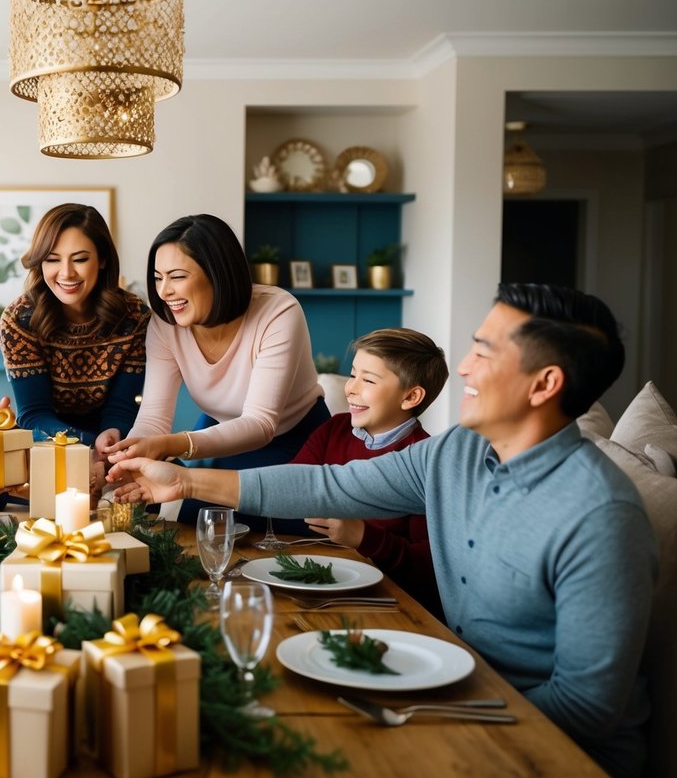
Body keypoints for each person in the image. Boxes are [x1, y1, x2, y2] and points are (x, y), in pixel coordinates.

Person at [110, 283, 656, 777]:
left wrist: (431, 712)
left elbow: (586, 709)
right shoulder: (456, 453)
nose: (464, 368)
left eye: (484, 352)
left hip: (546, 748)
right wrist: (182, 482)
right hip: (453, 691)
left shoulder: (600, 515)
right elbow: (328, 486)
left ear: (545, 384)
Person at [104, 214, 327, 531]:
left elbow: (261, 423)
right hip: (220, 432)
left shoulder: (278, 312)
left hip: (295, 437)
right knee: (197, 525)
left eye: (177, 276)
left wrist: (169, 446)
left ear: (217, 273)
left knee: (274, 530)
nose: (164, 291)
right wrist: (129, 456)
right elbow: (154, 415)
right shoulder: (165, 325)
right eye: (157, 278)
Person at [294, 328, 448, 619]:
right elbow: (293, 485)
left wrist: (364, 536)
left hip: (388, 606)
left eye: (368, 380)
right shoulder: (334, 429)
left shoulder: (428, 463)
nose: (351, 388)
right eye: (353, 374)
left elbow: (430, 568)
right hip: (323, 583)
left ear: (411, 396)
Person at [0, 203, 149, 493]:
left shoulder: (135, 317)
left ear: (102, 259)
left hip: (115, 444)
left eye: (79, 259)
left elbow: (123, 405)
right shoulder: (19, 320)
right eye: (52, 259)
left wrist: (110, 434)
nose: (66, 273)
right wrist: (85, 443)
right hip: (43, 445)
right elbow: (32, 413)